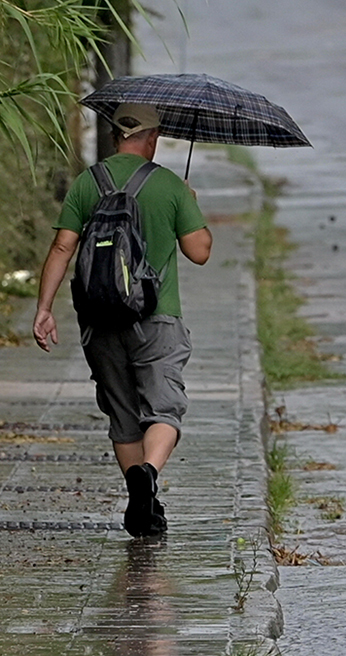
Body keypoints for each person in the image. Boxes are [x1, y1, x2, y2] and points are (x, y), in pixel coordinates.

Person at [32, 103, 213, 537]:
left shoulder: (87, 182)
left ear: (115, 136)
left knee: (122, 416)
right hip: (157, 319)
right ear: (153, 138)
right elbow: (200, 252)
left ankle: (143, 506)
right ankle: (148, 475)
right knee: (164, 409)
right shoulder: (168, 185)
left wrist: (44, 309)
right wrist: (189, 204)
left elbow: (62, 248)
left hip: (99, 321)